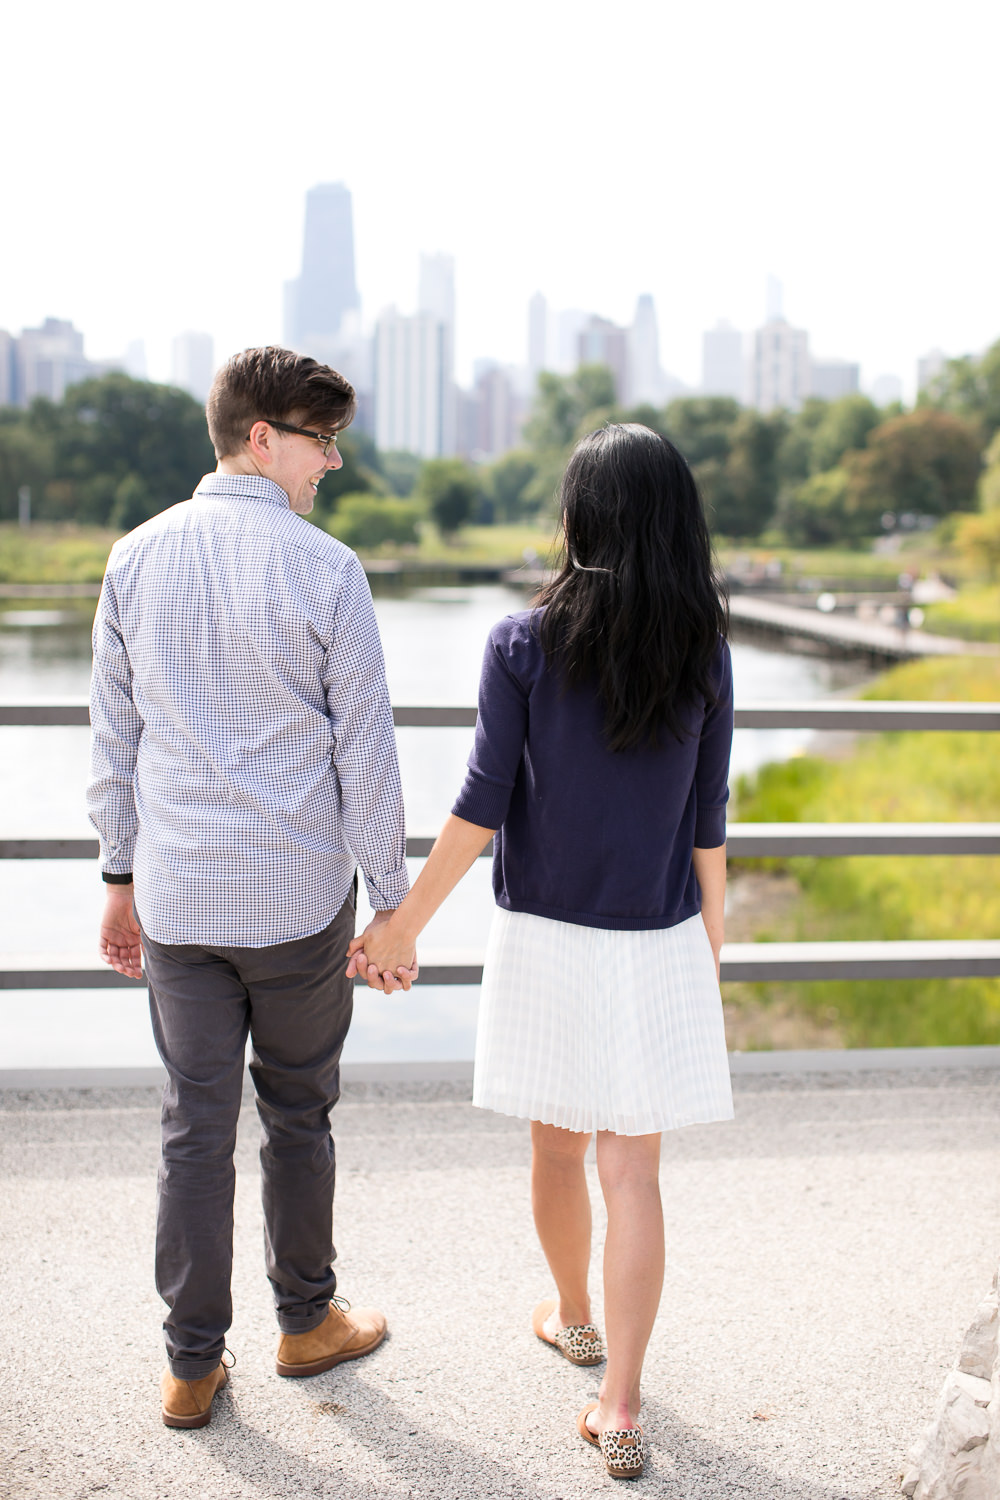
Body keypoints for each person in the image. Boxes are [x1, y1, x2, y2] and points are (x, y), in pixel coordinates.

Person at [347, 423, 734, 1479]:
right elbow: (709, 820)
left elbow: (480, 806)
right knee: (635, 1171)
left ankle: (573, 1315)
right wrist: (712, 946)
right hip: (655, 935)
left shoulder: (524, 642)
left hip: (546, 938)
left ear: (584, 518)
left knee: (557, 1146)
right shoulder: (702, 645)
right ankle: (618, 1406)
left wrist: (400, 926)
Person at [87, 346, 414, 1431]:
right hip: (294, 904)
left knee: (193, 1128)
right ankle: (305, 1320)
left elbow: (114, 740)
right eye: (321, 443)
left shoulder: (134, 558)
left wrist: (118, 877)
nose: (331, 465)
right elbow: (365, 750)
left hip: (178, 900)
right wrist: (390, 901)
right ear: (262, 436)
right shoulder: (327, 570)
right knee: (299, 1114)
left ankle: (190, 1364)